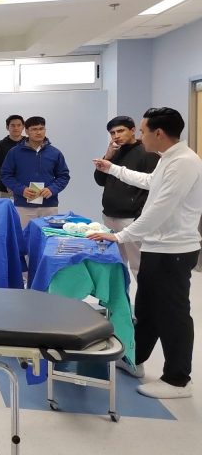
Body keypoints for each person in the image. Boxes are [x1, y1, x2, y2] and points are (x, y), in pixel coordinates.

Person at [90, 107, 202, 399]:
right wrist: (113, 168)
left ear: (159, 133)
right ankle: (134, 359)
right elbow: (150, 182)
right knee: (147, 310)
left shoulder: (184, 163)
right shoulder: (169, 159)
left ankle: (178, 380)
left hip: (173, 251)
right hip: (157, 247)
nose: (140, 135)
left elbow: (159, 209)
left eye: (142, 130)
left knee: (173, 315)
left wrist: (120, 236)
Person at [93, 115, 159, 276]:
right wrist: (107, 157)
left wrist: (140, 218)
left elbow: (152, 188)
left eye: (120, 131)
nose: (116, 136)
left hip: (130, 219)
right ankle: (121, 294)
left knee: (138, 266)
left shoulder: (147, 153)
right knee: (116, 264)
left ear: (133, 130)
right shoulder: (115, 152)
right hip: (109, 216)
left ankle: (145, 294)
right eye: (112, 133)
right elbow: (100, 181)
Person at [0, 116, 70, 227]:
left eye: (41, 128)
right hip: (23, 205)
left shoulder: (55, 153)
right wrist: (21, 190)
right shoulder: (14, 152)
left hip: (49, 205)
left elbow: (64, 176)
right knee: (24, 235)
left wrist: (52, 189)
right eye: (34, 129)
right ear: (27, 131)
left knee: (47, 235)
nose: (38, 132)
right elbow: (5, 175)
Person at [0, 115, 25, 199]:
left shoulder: (29, 143)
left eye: (19, 125)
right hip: (4, 189)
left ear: (23, 127)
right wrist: (9, 185)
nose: (16, 128)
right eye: (12, 125)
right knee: (3, 208)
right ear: (7, 127)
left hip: (26, 189)